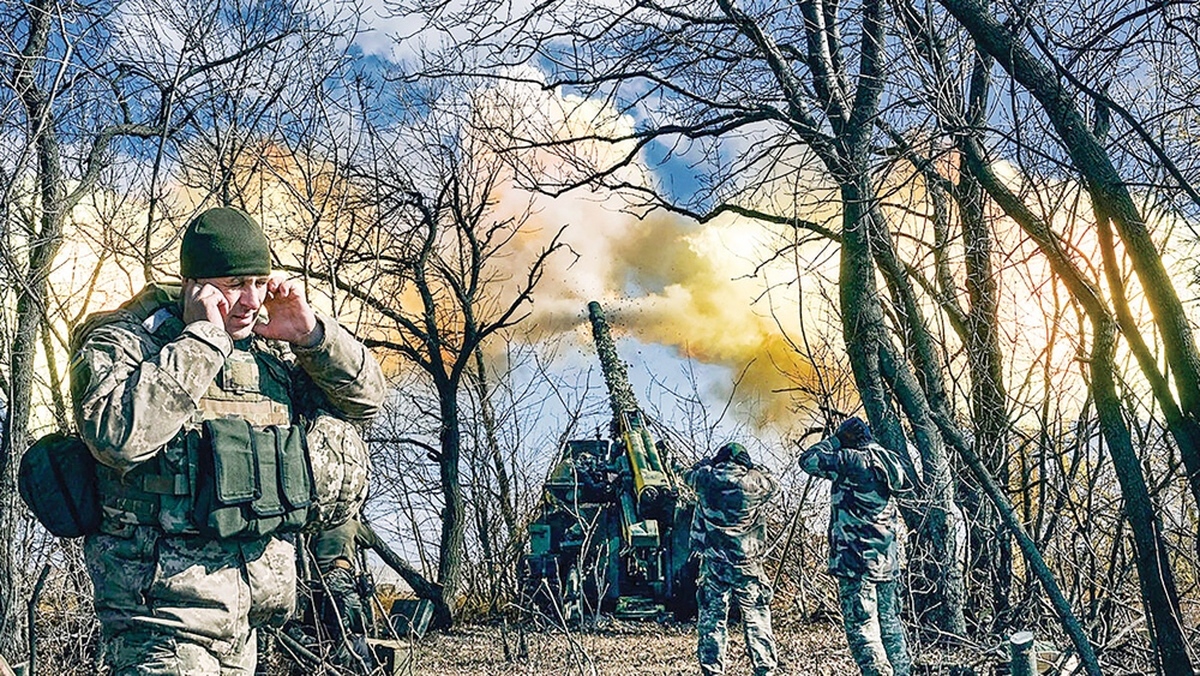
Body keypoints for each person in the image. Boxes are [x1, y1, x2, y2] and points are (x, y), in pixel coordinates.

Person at [70, 206, 386, 674]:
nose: (251, 300)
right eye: (234, 284)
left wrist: (312, 335)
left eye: (260, 282)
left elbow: (366, 403)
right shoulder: (128, 343)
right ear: (193, 284)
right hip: (161, 622)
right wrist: (201, 339)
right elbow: (116, 437)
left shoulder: (267, 354)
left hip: (247, 627)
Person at [799, 417, 913, 676]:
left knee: (863, 629)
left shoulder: (851, 460)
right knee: (890, 624)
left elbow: (808, 460)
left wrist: (834, 441)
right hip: (887, 560)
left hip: (856, 558)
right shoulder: (889, 460)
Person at [685, 442, 780, 676]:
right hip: (748, 564)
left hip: (714, 564)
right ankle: (765, 669)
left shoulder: (705, 478)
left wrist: (707, 464)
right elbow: (773, 484)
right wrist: (752, 467)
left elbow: (687, 475)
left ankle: (713, 670)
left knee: (712, 620)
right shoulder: (756, 482)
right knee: (756, 618)